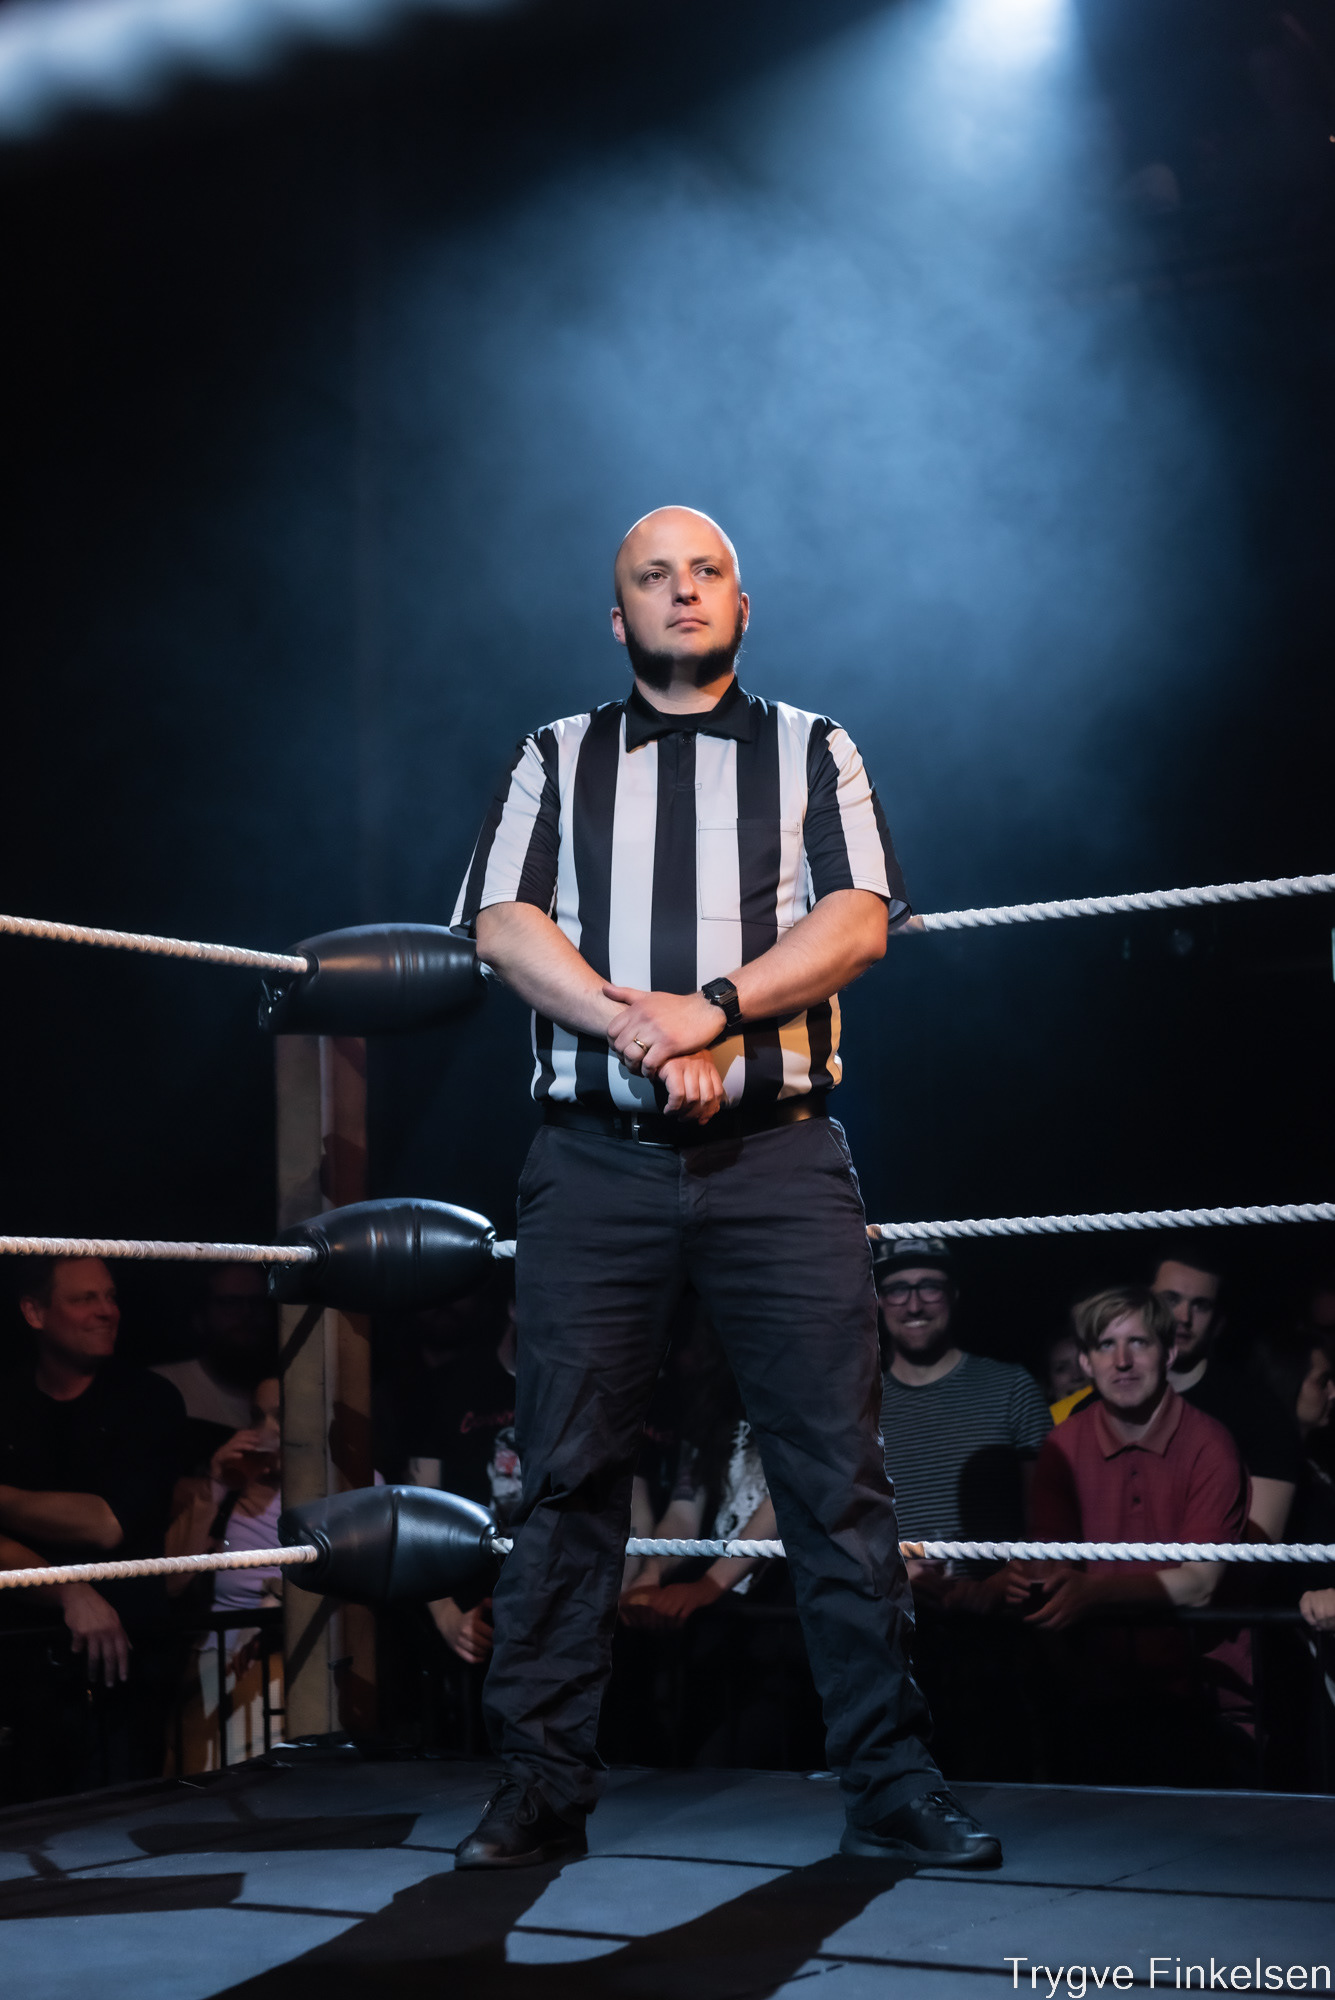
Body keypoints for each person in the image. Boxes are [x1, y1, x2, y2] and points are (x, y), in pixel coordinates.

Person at [448, 505, 999, 1870]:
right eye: (654, 576)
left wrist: (711, 1009)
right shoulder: (553, 752)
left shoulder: (815, 745)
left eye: (705, 574)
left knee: (834, 1472)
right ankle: (538, 1786)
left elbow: (857, 921)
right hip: (592, 1160)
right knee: (565, 1475)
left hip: (777, 1155)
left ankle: (888, 1778)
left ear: (742, 606)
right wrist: (639, 1029)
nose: (681, 592)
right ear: (617, 615)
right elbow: (502, 923)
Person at [1016, 1284, 1247, 1783]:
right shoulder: (1062, 1444)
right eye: (1106, 1345)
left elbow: (1200, 1583)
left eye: (1138, 1343)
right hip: (1091, 1696)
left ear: (1169, 1353)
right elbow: (1052, 1569)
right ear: (1085, 1362)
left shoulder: (1210, 1443)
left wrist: (1091, 1593)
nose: (1122, 1361)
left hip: (1202, 1700)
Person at [0, 1256, 185, 1795]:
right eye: (85, 1298)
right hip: (22, 1669)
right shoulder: (7, 1401)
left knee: (118, 1820)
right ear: (35, 1312)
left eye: (111, 1296)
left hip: (127, 1669)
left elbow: (106, 1524)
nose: (107, 1311)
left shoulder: (148, 1399)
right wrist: (67, 1589)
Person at [876, 1237, 1052, 1608]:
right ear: (878, 1300)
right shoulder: (859, 1407)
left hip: (999, 1619)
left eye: (929, 1287)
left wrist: (999, 1583)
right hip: (892, 1620)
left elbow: (1050, 1519)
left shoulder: (1011, 1387)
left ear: (953, 1294)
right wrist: (891, 1574)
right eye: (897, 1290)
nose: (914, 1305)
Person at [166, 1377, 284, 1770]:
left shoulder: (347, 1482)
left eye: (281, 1417)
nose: (266, 1431)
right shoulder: (230, 1488)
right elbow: (171, 1580)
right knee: (200, 1779)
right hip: (214, 1659)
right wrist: (216, 1484)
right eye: (258, 1417)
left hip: (287, 1662)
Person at [1153, 1246, 1301, 1539]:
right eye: (1170, 1299)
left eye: (1201, 1305)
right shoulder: (1097, 1407)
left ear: (1218, 1322)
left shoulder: (1259, 1412)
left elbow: (1260, 1544)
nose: (1183, 1317)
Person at [152, 1264, 277, 1471]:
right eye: (230, 1303)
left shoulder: (293, 1389)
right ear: (200, 1315)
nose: (247, 1313)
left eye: (257, 1302)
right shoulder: (161, 1390)